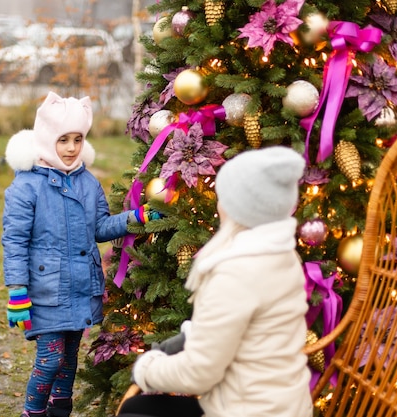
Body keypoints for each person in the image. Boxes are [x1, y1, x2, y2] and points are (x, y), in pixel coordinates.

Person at [120, 147, 313, 417]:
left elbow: (198, 374)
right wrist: (192, 335)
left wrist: (146, 368)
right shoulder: (282, 253)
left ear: (243, 208)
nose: (219, 206)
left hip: (248, 410)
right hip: (282, 406)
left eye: (224, 198)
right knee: (137, 408)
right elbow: (248, 331)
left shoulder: (235, 271)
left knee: (134, 412)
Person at [1, 92, 160, 417]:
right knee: (50, 360)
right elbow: (14, 241)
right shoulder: (26, 187)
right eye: (63, 140)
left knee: (69, 359)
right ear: (47, 138)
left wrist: (137, 217)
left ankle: (61, 411)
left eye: (77, 139)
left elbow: (99, 227)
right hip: (46, 291)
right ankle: (33, 412)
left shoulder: (87, 182)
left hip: (80, 286)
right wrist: (17, 289)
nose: (71, 147)